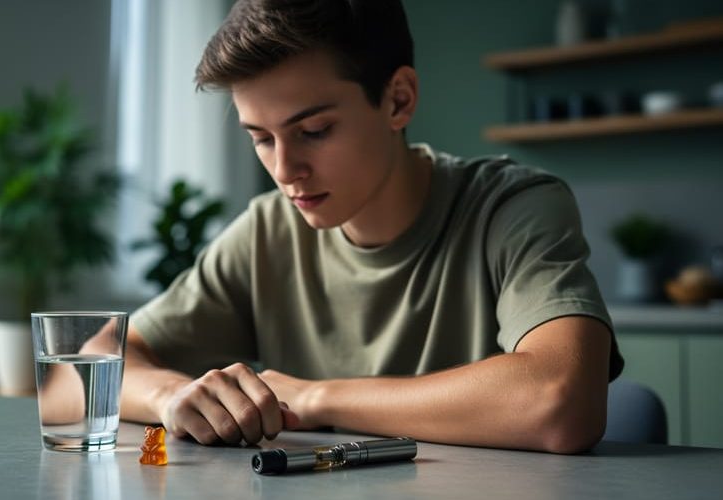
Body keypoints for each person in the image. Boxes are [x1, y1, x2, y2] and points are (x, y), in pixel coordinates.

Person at [118, 0, 624, 454]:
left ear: (398, 100)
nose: (284, 170)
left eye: (313, 131)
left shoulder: (512, 208)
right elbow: (78, 372)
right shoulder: (266, 231)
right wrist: (169, 396)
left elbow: (562, 401)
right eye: (261, 138)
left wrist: (317, 397)